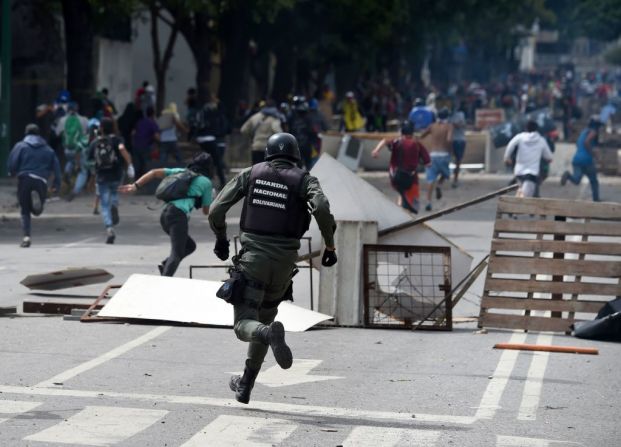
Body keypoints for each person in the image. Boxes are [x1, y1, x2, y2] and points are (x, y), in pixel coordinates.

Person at [208, 132, 337, 404]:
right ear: (296, 155)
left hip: (253, 260)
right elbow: (322, 207)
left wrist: (220, 238)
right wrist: (330, 245)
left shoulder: (251, 174)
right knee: (264, 317)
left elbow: (216, 209)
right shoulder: (305, 180)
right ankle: (245, 386)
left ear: (268, 152)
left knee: (245, 324)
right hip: (284, 266)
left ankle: (267, 333)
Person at [119, 153, 213, 276]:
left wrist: (135, 186)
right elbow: (206, 211)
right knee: (177, 253)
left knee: (190, 246)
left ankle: (165, 264)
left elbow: (153, 173)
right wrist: (211, 198)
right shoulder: (206, 182)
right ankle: (163, 281)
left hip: (165, 215)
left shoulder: (180, 171)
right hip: (178, 216)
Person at [8, 124, 61, 247]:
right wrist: (56, 185)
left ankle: (26, 237)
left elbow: (12, 162)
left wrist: (11, 172)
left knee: (24, 211)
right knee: (37, 211)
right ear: (39, 134)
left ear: (26, 134)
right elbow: (56, 169)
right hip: (41, 180)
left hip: (25, 179)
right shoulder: (48, 149)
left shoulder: (20, 146)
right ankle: (38, 205)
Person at [86, 117, 134, 243]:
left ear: (101, 128)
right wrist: (129, 164)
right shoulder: (117, 139)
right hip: (116, 173)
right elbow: (122, 149)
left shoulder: (96, 142)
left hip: (101, 175)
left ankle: (109, 228)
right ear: (113, 127)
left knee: (104, 204)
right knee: (114, 193)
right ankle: (115, 204)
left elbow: (89, 158)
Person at [371, 121, 431, 214]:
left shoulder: (397, 142)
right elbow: (428, 163)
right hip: (411, 179)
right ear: (412, 133)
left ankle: (399, 214)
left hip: (395, 177)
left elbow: (385, 140)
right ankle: (404, 218)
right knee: (410, 202)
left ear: (401, 133)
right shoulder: (417, 144)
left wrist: (376, 150)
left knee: (402, 194)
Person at [504, 120, 553, 198]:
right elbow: (549, 157)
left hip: (519, 172)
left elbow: (510, 145)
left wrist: (507, 158)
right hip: (532, 173)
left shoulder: (520, 137)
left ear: (526, 128)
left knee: (522, 191)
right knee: (531, 196)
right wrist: (549, 159)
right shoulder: (541, 140)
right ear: (537, 129)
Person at [560, 118, 602, 201]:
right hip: (586, 160)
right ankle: (596, 200)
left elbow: (578, 144)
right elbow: (586, 142)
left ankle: (568, 175)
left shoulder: (583, 132)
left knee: (576, 180)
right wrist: (592, 153)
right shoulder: (593, 131)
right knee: (594, 181)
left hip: (577, 159)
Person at [420, 107, 453, 211]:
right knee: (445, 173)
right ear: (447, 116)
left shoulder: (432, 126)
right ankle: (439, 185)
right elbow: (449, 139)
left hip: (432, 155)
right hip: (444, 154)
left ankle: (429, 202)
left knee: (430, 180)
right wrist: (450, 150)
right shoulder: (449, 126)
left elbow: (422, 135)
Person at [196, 99, 230, 188]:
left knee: (209, 160)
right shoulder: (217, 115)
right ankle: (222, 182)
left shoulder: (201, 113)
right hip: (213, 139)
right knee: (217, 162)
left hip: (202, 139)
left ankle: (206, 181)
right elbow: (224, 129)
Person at [240, 100, 283, 165]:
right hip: (269, 149)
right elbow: (278, 132)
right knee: (267, 172)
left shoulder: (255, 117)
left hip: (256, 147)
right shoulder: (274, 118)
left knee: (256, 171)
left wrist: (251, 136)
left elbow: (243, 130)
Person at [57, 102, 88, 188]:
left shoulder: (62, 120)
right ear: (77, 109)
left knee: (70, 161)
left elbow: (57, 133)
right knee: (83, 169)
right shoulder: (84, 119)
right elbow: (87, 132)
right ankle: (76, 189)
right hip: (80, 148)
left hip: (68, 148)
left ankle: (67, 174)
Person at [132, 106, 160, 179]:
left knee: (137, 164)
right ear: (153, 114)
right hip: (145, 146)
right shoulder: (152, 123)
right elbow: (157, 136)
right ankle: (143, 181)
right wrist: (159, 143)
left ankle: (136, 180)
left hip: (136, 145)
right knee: (145, 164)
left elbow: (133, 133)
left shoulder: (140, 121)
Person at [450, 108, 467, 188]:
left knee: (458, 161)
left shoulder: (460, 114)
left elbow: (462, 124)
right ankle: (453, 179)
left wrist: (453, 124)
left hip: (459, 140)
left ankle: (455, 180)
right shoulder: (448, 115)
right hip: (453, 140)